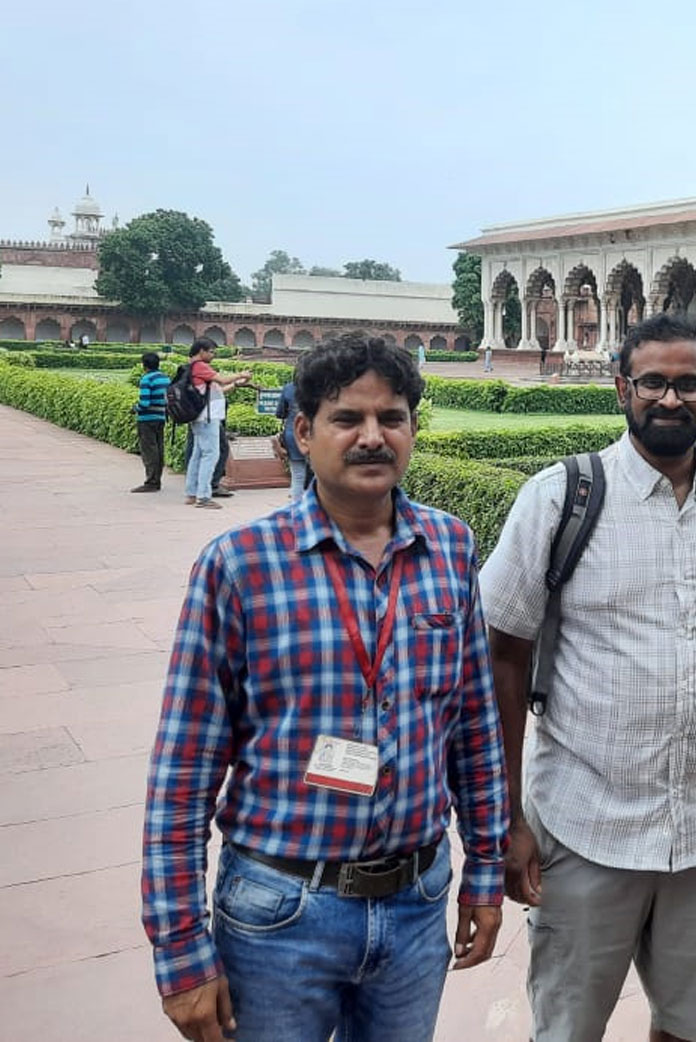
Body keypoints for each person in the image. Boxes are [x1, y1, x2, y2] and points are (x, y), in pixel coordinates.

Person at [141, 333, 508, 1042]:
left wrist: (485, 869)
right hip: (281, 910)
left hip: (415, 900)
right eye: (348, 419)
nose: (373, 437)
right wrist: (180, 947)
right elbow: (184, 770)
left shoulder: (450, 548)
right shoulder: (240, 566)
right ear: (303, 433)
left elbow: (472, 727)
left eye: (392, 418)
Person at [479, 313, 696, 1042]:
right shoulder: (561, 497)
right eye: (653, 381)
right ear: (623, 387)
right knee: (568, 1027)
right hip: (587, 822)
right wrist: (508, 812)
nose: (671, 399)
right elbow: (504, 653)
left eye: (689, 383)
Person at [182, 338, 249, 510]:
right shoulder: (200, 366)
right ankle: (203, 497)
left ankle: (192, 493)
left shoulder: (192, 368)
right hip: (207, 418)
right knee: (210, 455)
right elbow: (223, 380)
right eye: (211, 352)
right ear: (201, 351)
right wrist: (241, 374)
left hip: (200, 417)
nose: (213, 355)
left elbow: (218, 391)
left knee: (197, 455)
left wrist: (237, 384)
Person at [132, 351, 169, 493]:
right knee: (159, 449)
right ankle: (157, 479)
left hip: (147, 419)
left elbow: (145, 403)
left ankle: (151, 482)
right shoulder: (165, 378)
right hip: (161, 417)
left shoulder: (146, 379)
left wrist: (135, 408)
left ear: (144, 365)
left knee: (149, 451)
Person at [274, 379, 309, 501]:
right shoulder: (322, 386)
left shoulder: (289, 388)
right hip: (316, 434)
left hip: (292, 434)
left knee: (298, 476)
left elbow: (280, 413)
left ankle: (296, 508)